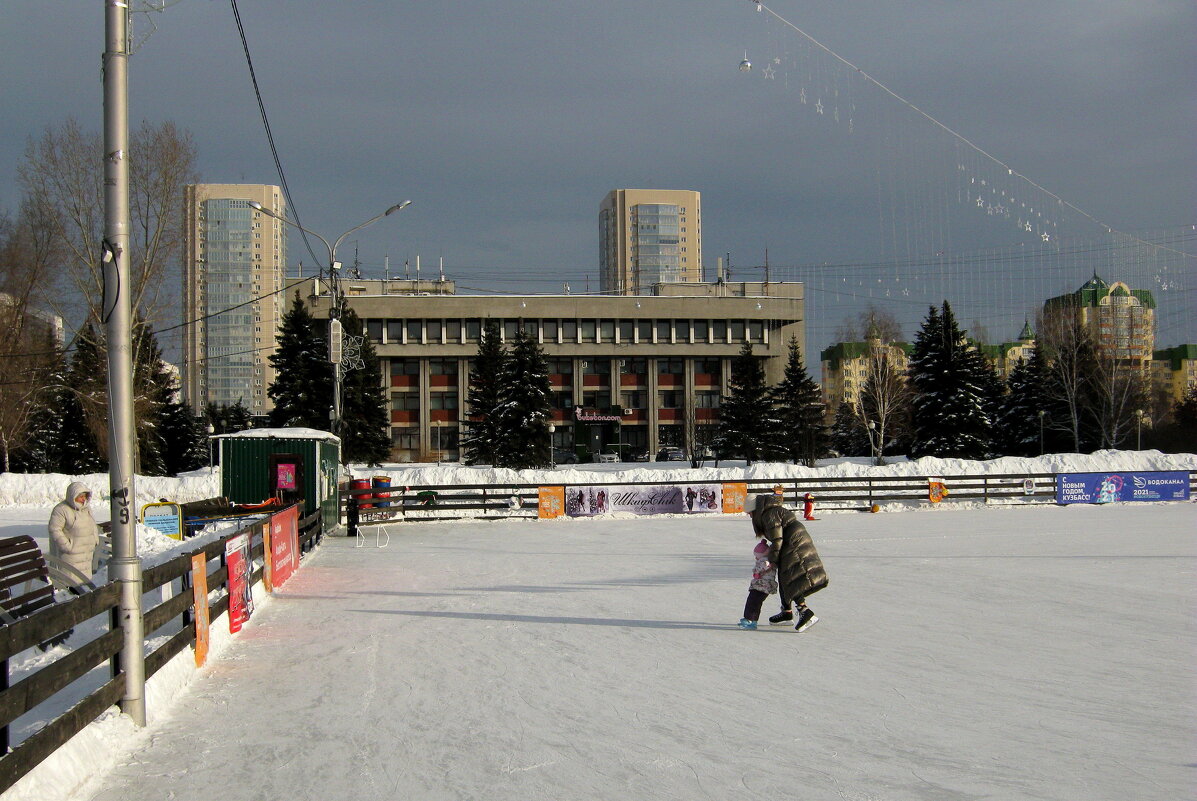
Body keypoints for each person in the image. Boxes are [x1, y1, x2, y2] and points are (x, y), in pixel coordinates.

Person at [745, 492, 828, 632]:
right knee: (785, 577)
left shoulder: (769, 515)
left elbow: (777, 540)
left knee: (791, 577)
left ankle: (805, 612)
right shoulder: (770, 512)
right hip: (792, 541)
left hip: (793, 543)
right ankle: (787, 612)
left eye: (750, 513)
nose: (749, 516)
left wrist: (771, 560)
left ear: (755, 509)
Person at [48, 481, 100, 590]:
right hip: (70, 554)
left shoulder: (86, 509)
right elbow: (54, 529)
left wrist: (95, 539)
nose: (83, 499)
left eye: (85, 496)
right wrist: (66, 546)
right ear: (73, 495)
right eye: (80, 496)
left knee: (83, 580)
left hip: (86, 552)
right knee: (70, 581)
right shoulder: (61, 510)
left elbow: (92, 525)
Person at [738, 534, 777, 629]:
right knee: (754, 602)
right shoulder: (765, 560)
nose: (756, 558)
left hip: (762, 586)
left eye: (757, 556)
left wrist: (757, 572)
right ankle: (752, 620)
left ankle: (750, 619)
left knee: (753, 602)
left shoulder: (765, 561)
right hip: (760, 586)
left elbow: (764, 567)